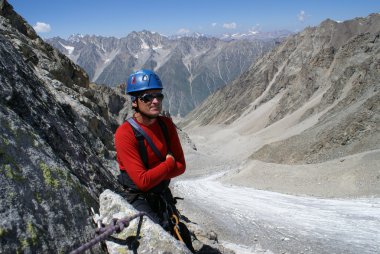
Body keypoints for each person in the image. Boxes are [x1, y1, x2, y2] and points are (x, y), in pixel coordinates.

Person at [114, 69, 186, 227]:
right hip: (138, 198)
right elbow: (143, 182)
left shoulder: (166, 125)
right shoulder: (124, 134)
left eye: (158, 95)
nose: (155, 101)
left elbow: (181, 166)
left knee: (182, 237)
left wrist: (157, 173)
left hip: (161, 194)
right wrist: (168, 163)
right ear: (134, 102)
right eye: (147, 97)